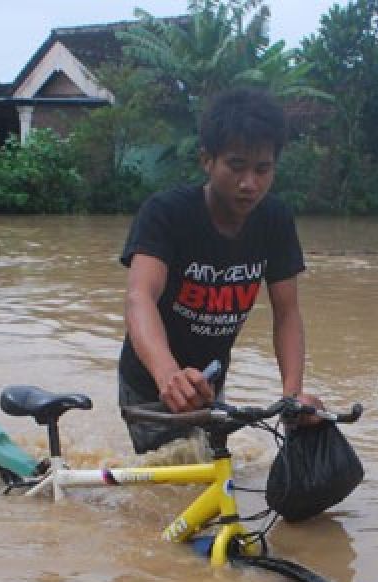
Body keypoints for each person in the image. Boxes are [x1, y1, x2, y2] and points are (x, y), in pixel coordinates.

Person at [118, 88, 320, 454]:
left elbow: (287, 312)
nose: (250, 184)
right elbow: (139, 297)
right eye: (237, 166)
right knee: (161, 490)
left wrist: (292, 397)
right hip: (151, 381)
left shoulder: (274, 220)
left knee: (212, 479)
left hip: (209, 381)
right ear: (207, 160)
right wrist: (167, 375)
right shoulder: (166, 213)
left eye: (263, 169)